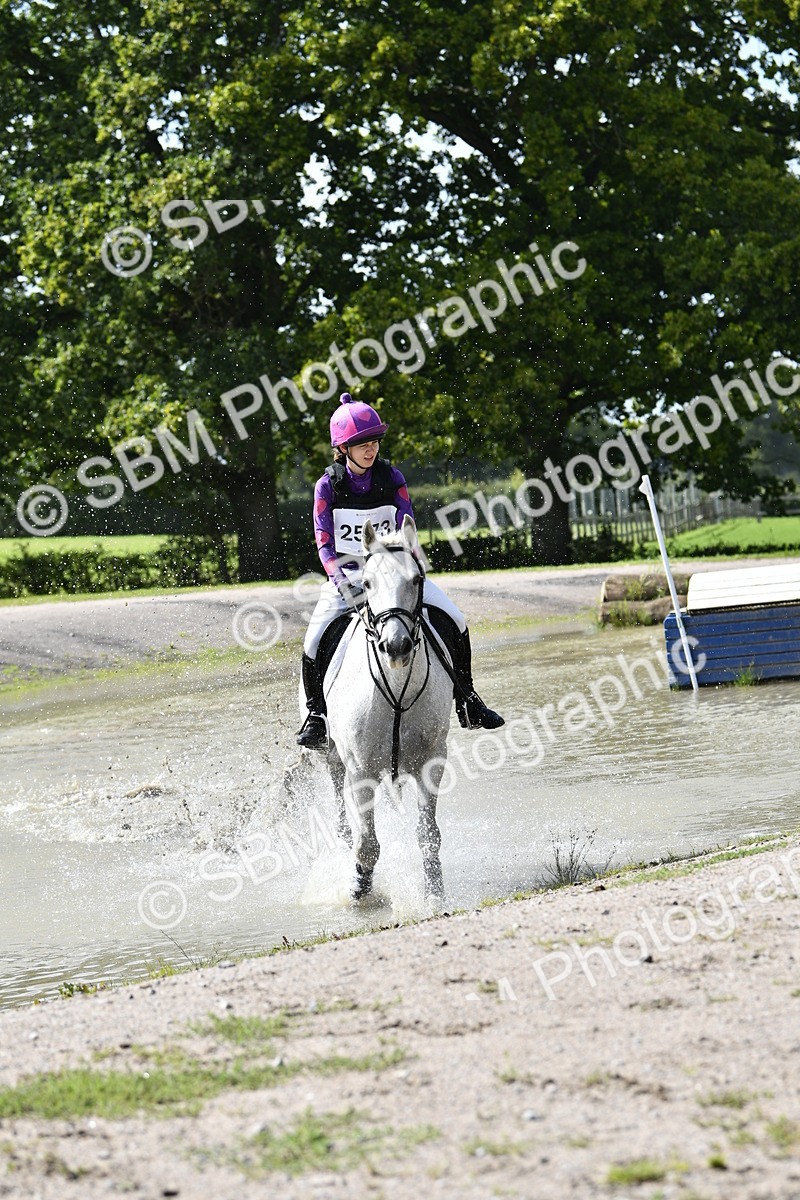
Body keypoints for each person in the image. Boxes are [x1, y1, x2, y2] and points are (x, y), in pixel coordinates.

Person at [296, 392, 504, 748]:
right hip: (346, 575)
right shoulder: (327, 486)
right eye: (361, 443)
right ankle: (316, 716)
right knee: (313, 640)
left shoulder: (392, 477)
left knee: (456, 619)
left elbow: (408, 527)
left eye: (374, 440)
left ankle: (467, 700)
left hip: (393, 572)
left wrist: (412, 567)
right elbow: (324, 543)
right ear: (343, 448)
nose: (370, 448)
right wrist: (340, 581)